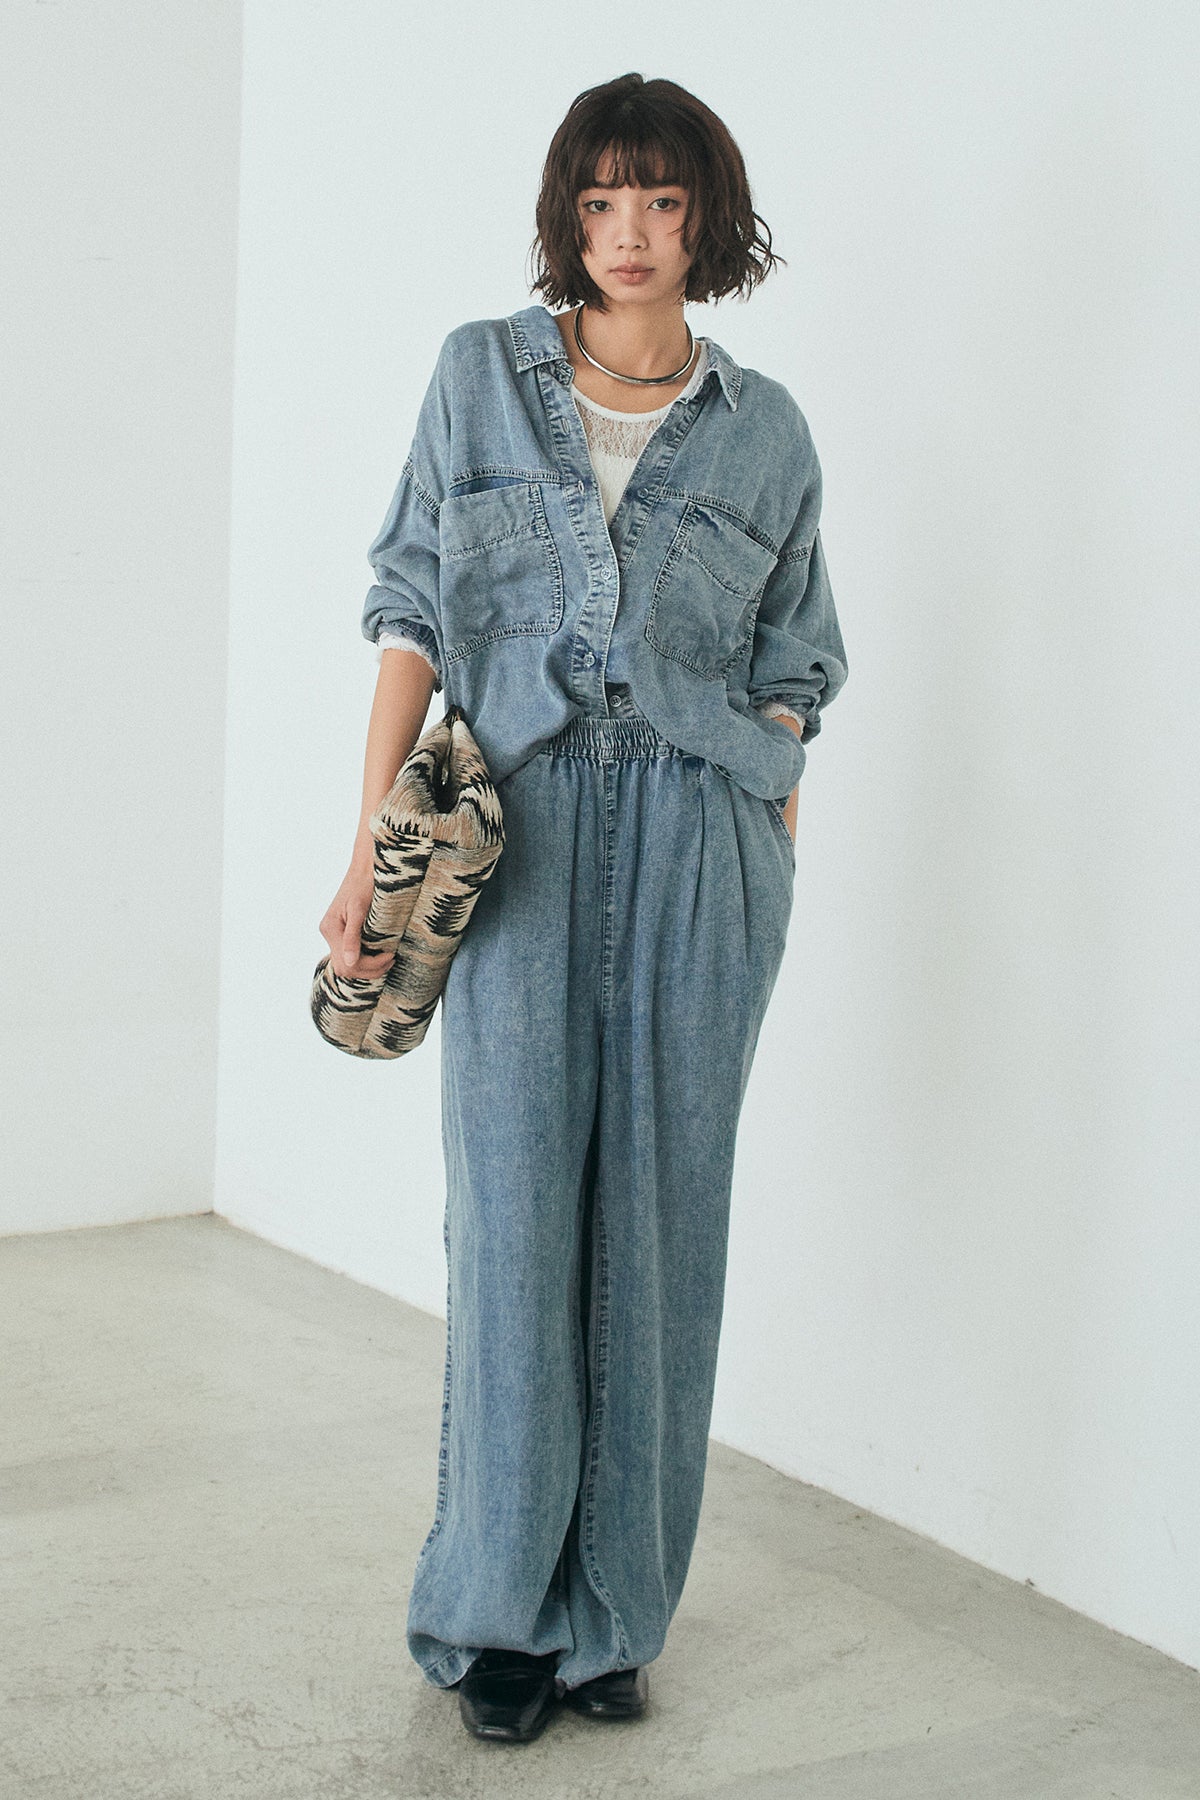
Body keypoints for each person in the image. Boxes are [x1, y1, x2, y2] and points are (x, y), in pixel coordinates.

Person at [319, 71, 848, 1744]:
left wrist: (769, 810)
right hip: (519, 838)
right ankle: (496, 1617)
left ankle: (614, 1617)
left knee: (664, 1236)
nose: (632, 233)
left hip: (703, 847)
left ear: (708, 220)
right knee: (516, 1221)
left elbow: (800, 662)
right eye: (605, 200)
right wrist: (370, 851)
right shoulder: (479, 374)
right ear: (570, 212)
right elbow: (413, 606)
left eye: (664, 202)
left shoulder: (766, 428)